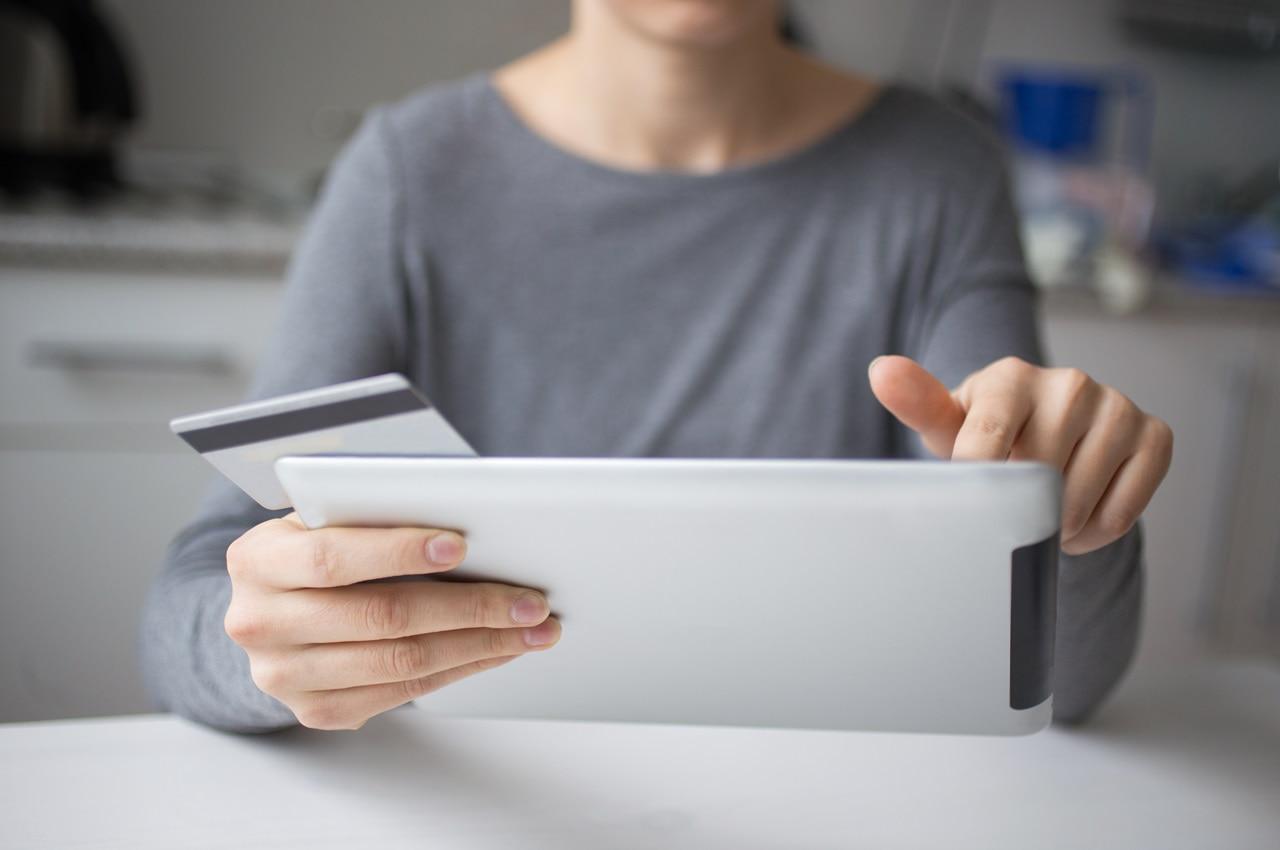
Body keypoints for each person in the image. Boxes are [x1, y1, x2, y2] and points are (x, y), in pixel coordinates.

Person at [142, 0, 1172, 733]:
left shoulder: (935, 173)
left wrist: (1071, 518)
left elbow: (1046, 676)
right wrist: (277, 652)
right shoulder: (407, 171)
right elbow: (194, 602)